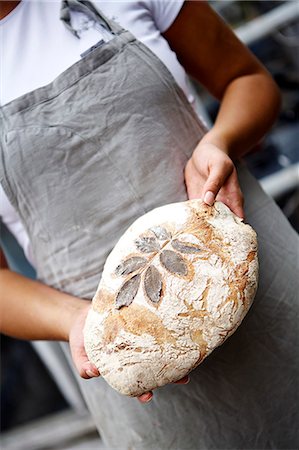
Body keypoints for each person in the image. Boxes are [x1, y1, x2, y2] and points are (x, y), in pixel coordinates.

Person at [0, 1, 298, 448]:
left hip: (268, 289)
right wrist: (77, 321)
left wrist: (219, 141)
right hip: (128, 357)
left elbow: (249, 81)